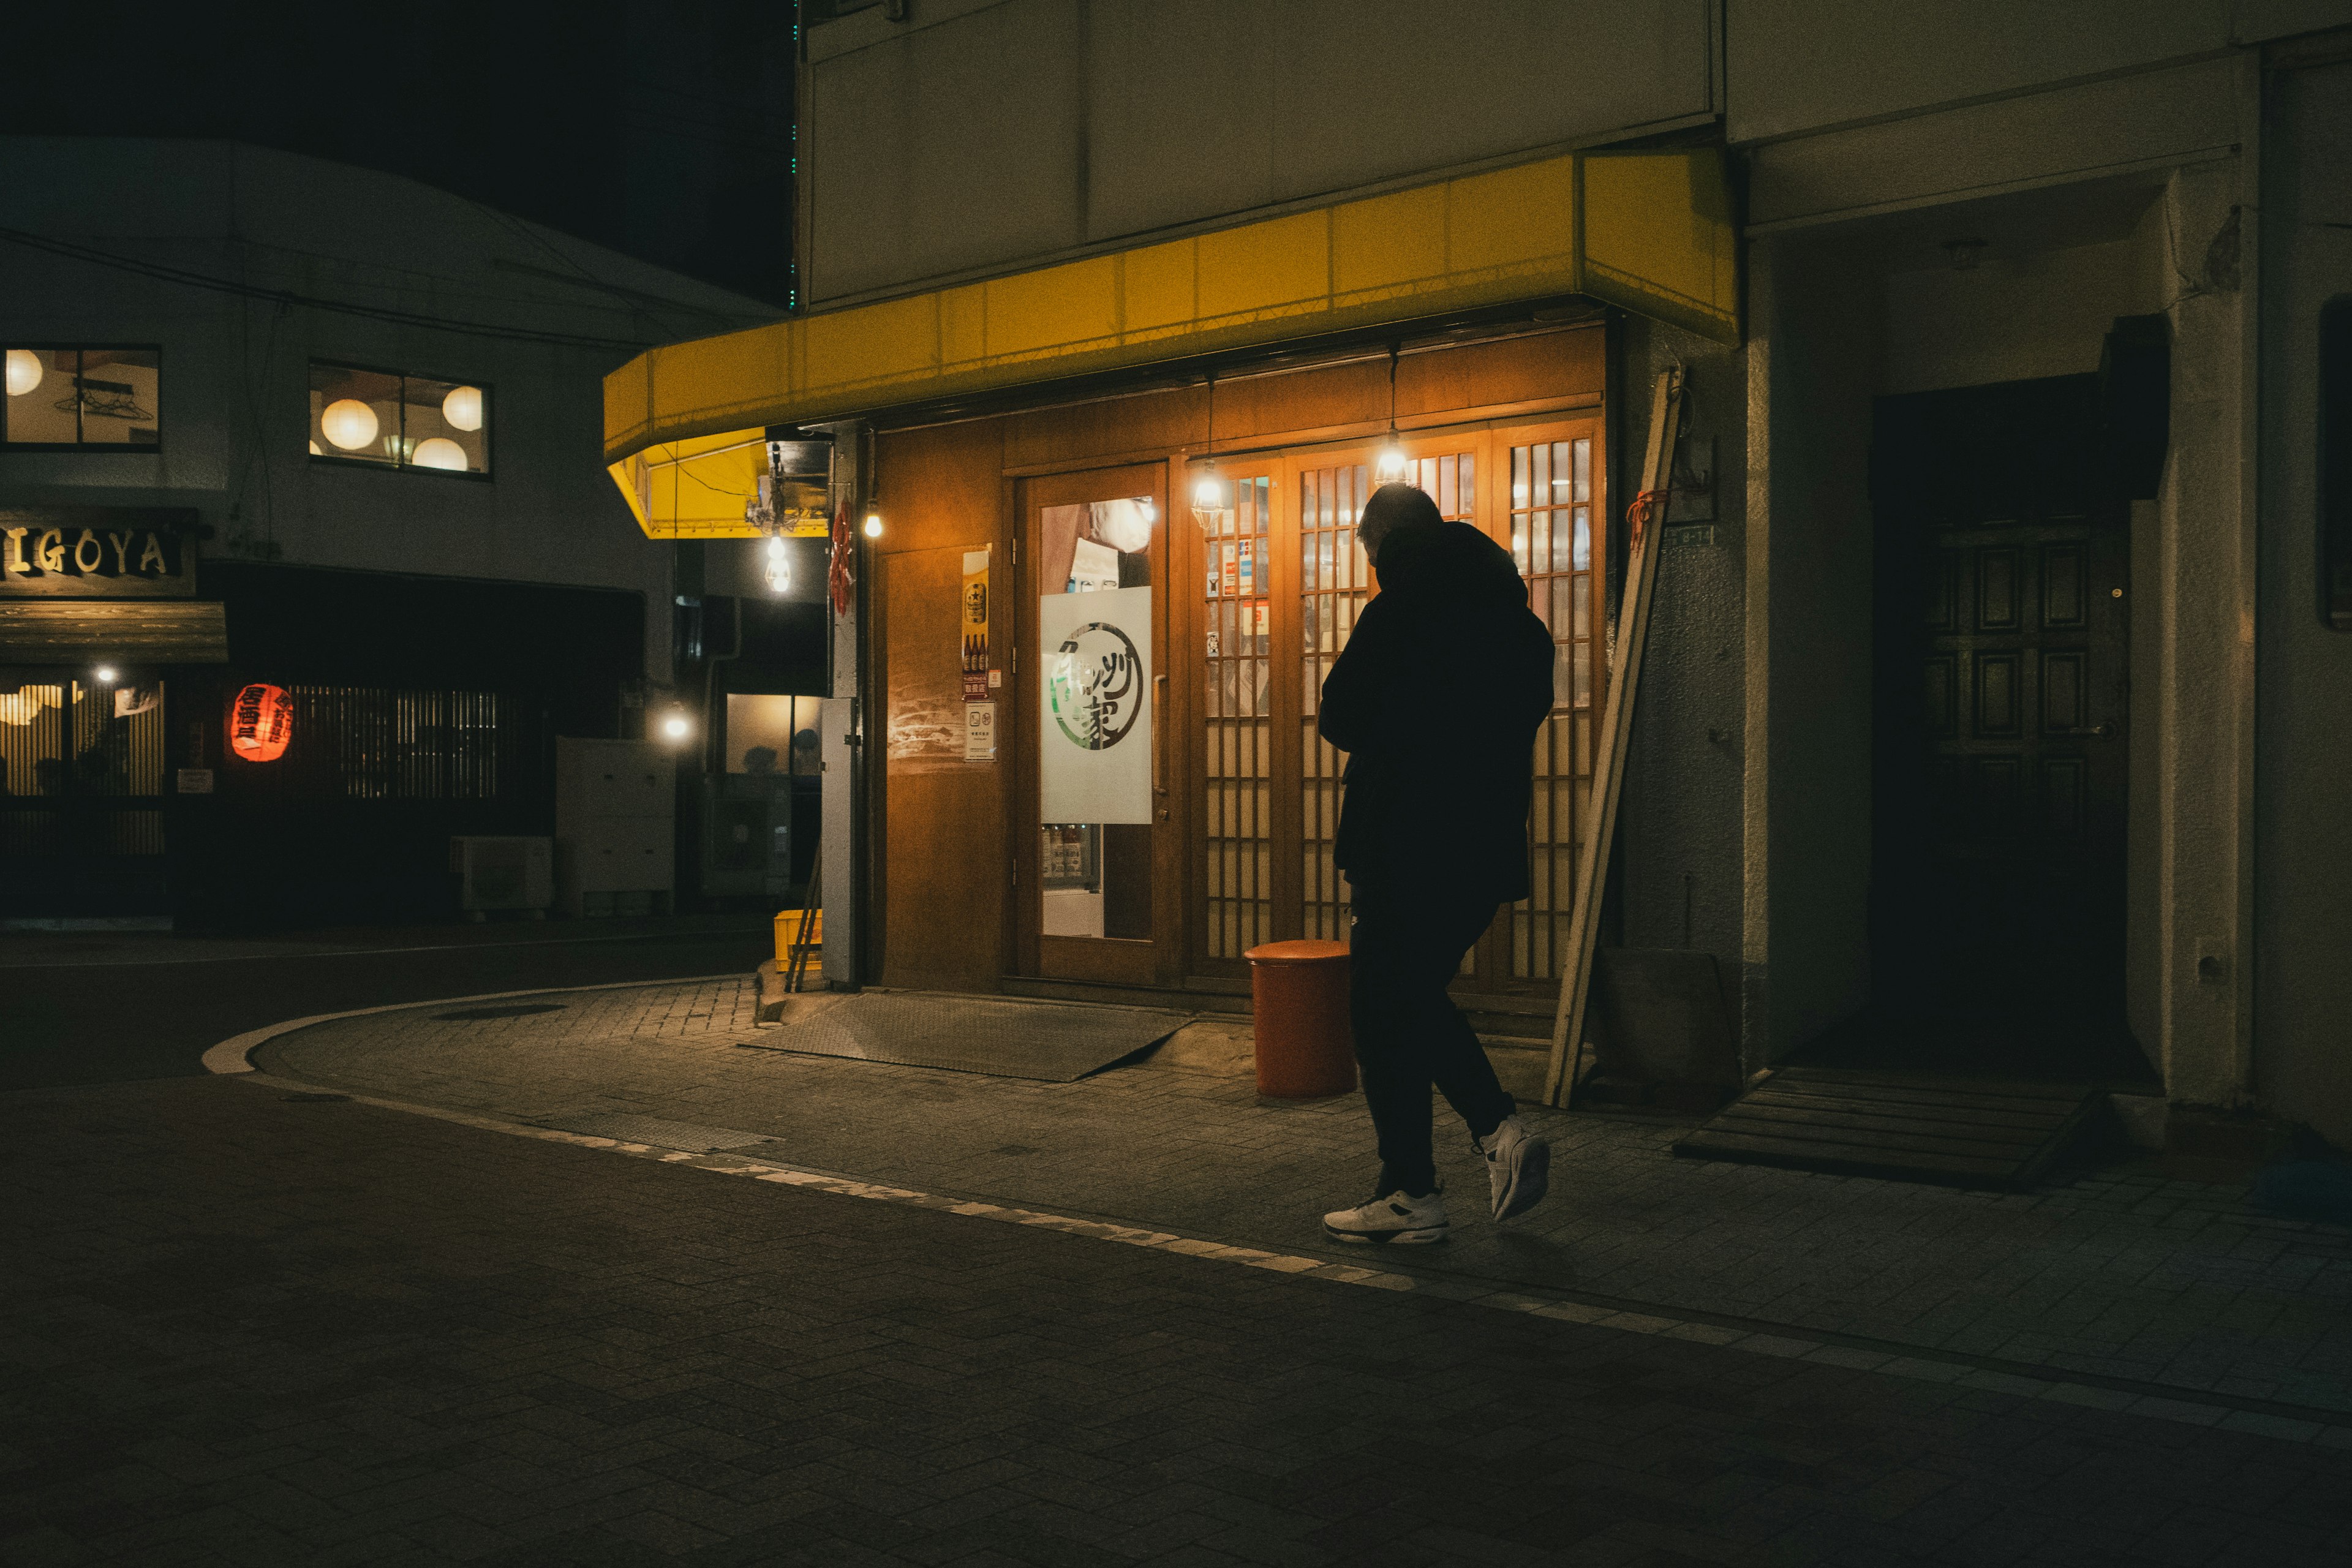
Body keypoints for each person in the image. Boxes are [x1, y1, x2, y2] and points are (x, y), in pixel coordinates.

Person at [1316, 482, 1558, 1245]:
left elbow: (1341, 716)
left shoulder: (1400, 610)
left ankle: (1481, 1141)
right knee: (1405, 1001)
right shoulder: (1520, 627)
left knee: (1386, 1003)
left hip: (1403, 843)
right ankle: (1418, 1186)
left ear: (1383, 540)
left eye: (1366, 549)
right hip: (1482, 851)